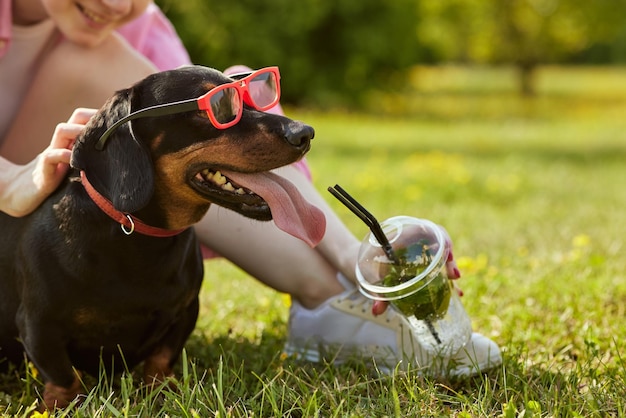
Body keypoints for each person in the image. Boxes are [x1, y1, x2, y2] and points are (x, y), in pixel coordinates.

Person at [0, 0, 501, 376]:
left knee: (231, 94)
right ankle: (331, 302)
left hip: (96, 211)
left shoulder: (140, 21)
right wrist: (9, 179)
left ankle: (334, 293)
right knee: (96, 60)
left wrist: (355, 255)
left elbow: (225, 129)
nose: (116, 5)